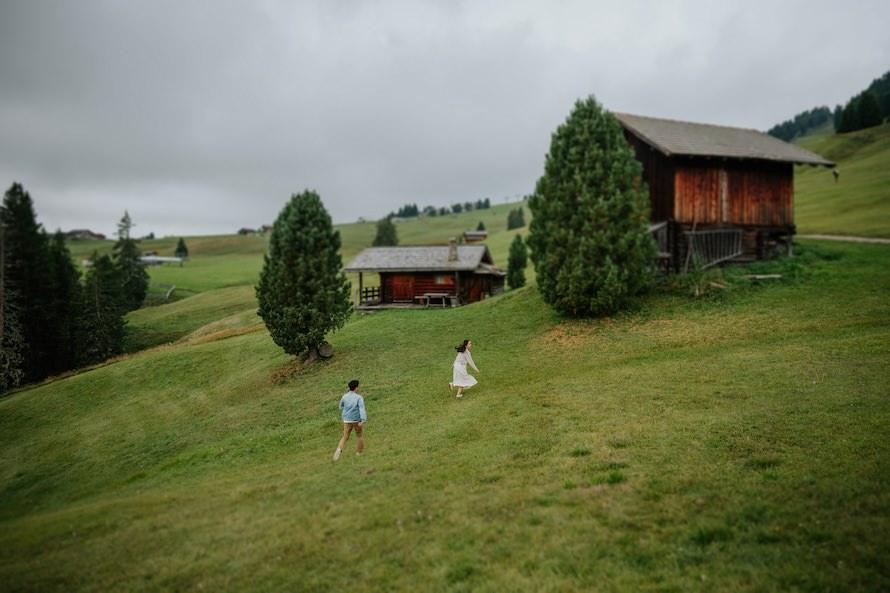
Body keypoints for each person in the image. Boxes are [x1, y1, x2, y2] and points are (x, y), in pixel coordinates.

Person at [333, 379, 367, 461]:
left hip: (347, 420)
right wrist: (363, 419)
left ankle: (338, 450)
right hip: (356, 420)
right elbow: (361, 409)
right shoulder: (359, 397)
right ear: (356, 387)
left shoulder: (344, 396)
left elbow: (340, 406)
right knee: (359, 436)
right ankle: (359, 453)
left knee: (345, 437)